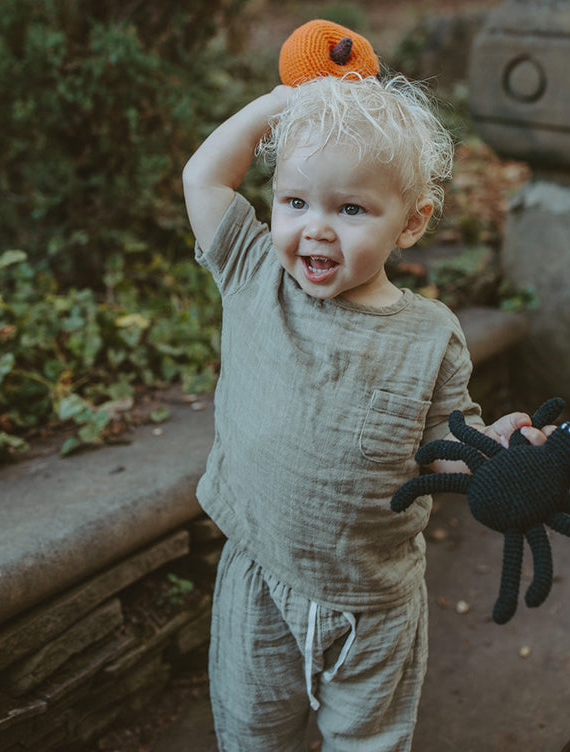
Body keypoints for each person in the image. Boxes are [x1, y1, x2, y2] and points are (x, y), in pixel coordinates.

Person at [182, 73, 550, 751]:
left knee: (369, 740)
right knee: (253, 734)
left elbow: (446, 438)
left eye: (350, 209)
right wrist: (278, 107)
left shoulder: (428, 334)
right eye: (295, 201)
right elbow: (203, 177)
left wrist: (495, 448)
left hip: (371, 600)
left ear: (411, 221)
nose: (315, 227)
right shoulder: (252, 272)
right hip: (259, 575)